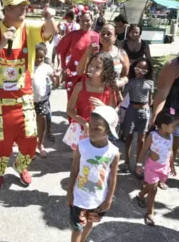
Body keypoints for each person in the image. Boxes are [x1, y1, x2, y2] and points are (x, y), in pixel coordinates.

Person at [0, 0, 57, 190]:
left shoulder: (30, 28)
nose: (23, 9)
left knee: (30, 140)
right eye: (19, 6)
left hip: (24, 100)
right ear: (7, 9)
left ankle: (21, 166)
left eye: (25, 6)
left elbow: (50, 32)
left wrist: (49, 17)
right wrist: (0, 45)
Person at [67, 106, 120, 242]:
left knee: (90, 223)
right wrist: (69, 191)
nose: (91, 131)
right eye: (90, 126)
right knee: (77, 227)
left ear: (108, 130)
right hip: (79, 196)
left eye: (97, 129)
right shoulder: (82, 145)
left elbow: (113, 177)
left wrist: (108, 199)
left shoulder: (113, 152)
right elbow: (74, 169)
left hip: (98, 199)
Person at [66, 52, 117, 151]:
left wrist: (103, 107)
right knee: (79, 159)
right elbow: (69, 110)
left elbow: (112, 113)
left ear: (105, 71)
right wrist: (84, 123)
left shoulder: (109, 89)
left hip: (99, 132)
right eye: (91, 64)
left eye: (97, 67)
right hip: (80, 129)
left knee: (96, 159)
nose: (92, 68)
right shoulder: (80, 86)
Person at [136, 110, 177, 226]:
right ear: (164, 126)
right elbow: (144, 150)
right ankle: (150, 213)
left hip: (164, 167)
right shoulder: (153, 136)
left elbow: (171, 151)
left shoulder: (171, 136)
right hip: (152, 167)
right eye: (174, 126)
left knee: (149, 187)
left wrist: (172, 165)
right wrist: (139, 164)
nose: (176, 128)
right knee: (153, 190)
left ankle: (140, 195)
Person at [57, 12, 99, 108]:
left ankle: (84, 122)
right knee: (72, 101)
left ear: (92, 21)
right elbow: (61, 51)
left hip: (89, 73)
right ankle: (72, 122)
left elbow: (99, 56)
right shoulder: (72, 35)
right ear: (79, 21)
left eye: (87, 20)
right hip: (73, 72)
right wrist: (64, 68)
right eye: (82, 21)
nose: (85, 23)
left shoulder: (96, 36)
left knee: (87, 101)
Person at [151, 57, 179, 190]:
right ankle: (152, 175)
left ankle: (163, 173)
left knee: (174, 149)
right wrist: (156, 116)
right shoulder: (173, 65)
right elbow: (162, 94)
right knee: (161, 147)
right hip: (170, 116)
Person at [122, 58, 154, 173]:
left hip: (144, 111)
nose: (141, 71)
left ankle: (138, 165)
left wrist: (149, 113)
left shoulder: (150, 82)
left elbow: (150, 100)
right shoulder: (130, 82)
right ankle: (126, 162)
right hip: (131, 110)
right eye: (138, 68)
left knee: (141, 140)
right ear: (134, 68)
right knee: (128, 138)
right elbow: (123, 95)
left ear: (148, 71)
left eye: (144, 70)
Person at [33, 43, 59, 157]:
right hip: (28, 100)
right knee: (28, 125)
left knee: (42, 120)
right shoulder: (27, 65)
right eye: (36, 56)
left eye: (41, 57)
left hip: (42, 99)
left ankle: (40, 144)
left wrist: (57, 77)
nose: (39, 59)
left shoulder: (47, 67)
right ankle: (30, 147)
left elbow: (55, 83)